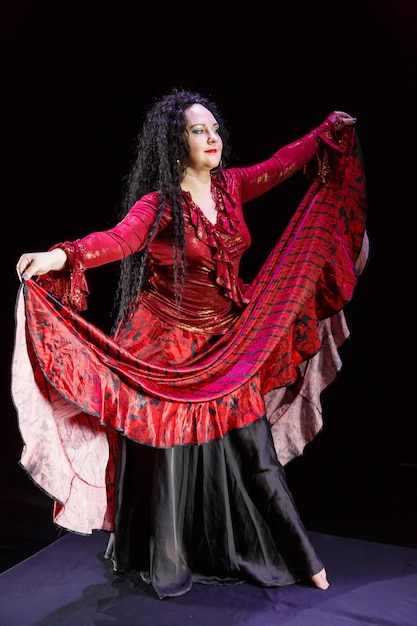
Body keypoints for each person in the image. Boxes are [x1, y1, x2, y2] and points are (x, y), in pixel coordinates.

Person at [13, 88, 367, 600]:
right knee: (171, 459)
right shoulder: (159, 206)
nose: (212, 138)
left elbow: (283, 163)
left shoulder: (233, 186)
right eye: (198, 130)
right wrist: (60, 257)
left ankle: (300, 558)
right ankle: (166, 559)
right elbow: (118, 240)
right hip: (168, 346)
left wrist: (327, 131)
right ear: (177, 144)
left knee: (256, 451)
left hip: (227, 341)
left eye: (214, 128)